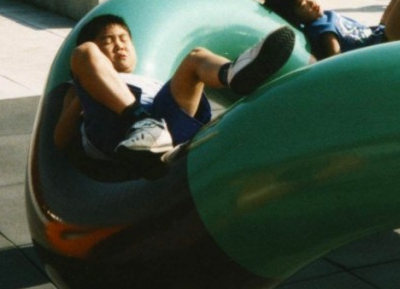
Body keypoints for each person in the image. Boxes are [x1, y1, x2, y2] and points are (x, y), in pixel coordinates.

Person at [53, 13, 296, 176]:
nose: (120, 45)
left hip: (164, 120)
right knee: (83, 52)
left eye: (124, 39)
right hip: (115, 129)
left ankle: (233, 74)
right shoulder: (83, 83)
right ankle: (140, 122)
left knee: (195, 57)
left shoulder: (149, 80)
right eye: (108, 41)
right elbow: (61, 140)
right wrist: (84, 93)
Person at [263, 0, 400, 60]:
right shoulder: (323, 31)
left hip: (376, 34)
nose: (312, 2)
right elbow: (336, 61)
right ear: (295, 18)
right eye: (305, 5)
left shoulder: (316, 16)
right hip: (379, 48)